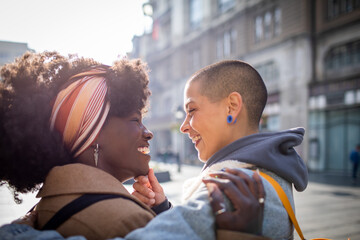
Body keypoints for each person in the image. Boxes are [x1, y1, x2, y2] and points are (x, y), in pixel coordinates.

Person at [0, 52, 267, 240]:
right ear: (92, 134)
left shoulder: (49, 202)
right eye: (135, 120)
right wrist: (240, 234)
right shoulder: (125, 219)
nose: (148, 133)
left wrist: (161, 209)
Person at [132, 60, 308, 239]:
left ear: (231, 106)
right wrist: (162, 207)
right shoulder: (270, 170)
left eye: (191, 110)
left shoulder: (234, 188)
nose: (183, 127)